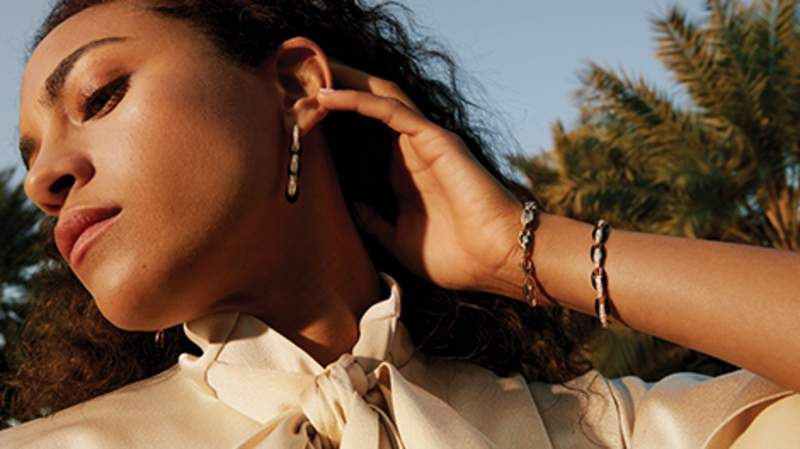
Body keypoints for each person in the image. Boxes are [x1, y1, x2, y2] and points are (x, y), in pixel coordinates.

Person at [1, 1, 798, 448]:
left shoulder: (603, 431)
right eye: (32, 155)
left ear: (297, 86)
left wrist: (522, 248)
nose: (42, 181)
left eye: (99, 96)